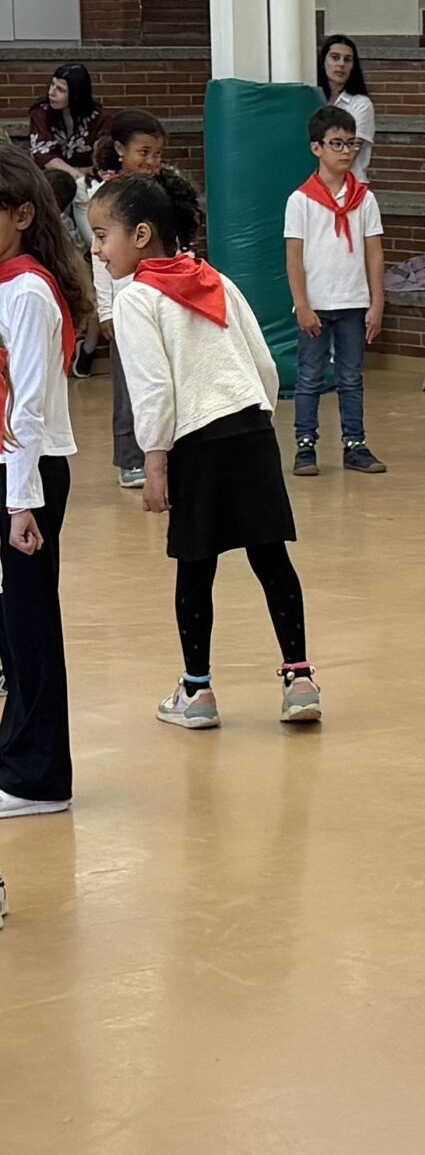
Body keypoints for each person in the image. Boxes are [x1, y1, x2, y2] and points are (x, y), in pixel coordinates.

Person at [93, 168, 319, 732]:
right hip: (251, 429)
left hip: (196, 442)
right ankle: (299, 681)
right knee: (272, 559)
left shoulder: (135, 298)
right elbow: (263, 362)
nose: (96, 249)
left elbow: (152, 388)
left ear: (141, 235)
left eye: (101, 235)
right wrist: (258, 421)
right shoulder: (215, 278)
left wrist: (153, 460)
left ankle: (197, 693)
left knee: (195, 568)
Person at [0, 146, 88, 816]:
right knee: (11, 623)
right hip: (9, 471)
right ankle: (17, 752)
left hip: (26, 477)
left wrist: (20, 502)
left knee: (30, 623)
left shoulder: (28, 290)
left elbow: (28, 404)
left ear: (23, 215)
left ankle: (40, 778)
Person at [283, 104, 387, 477]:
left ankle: (355, 444)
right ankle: (305, 445)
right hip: (316, 303)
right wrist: (302, 304)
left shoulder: (365, 198)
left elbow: (374, 253)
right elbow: (294, 258)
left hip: (353, 302)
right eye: (337, 144)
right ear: (317, 148)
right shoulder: (300, 200)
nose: (346, 151)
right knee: (310, 376)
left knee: (351, 377)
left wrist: (377, 302)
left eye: (351, 143)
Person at [96, 109, 168, 489]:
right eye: (144, 152)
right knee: (128, 385)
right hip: (126, 304)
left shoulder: (162, 195)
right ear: (120, 150)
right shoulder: (107, 197)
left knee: (160, 379)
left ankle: (163, 451)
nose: (152, 161)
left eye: (157, 153)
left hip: (162, 299)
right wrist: (106, 310)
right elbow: (99, 260)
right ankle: (129, 458)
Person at [25, 62, 104, 185]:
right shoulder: (41, 113)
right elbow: (43, 153)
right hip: (53, 182)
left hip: (92, 182)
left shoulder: (99, 118)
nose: (51, 92)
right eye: (52, 85)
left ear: (76, 94)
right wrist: (78, 175)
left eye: (60, 90)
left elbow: (103, 158)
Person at [315, 35, 377, 180]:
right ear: (323, 62)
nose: (341, 64)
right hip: (313, 183)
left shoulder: (361, 104)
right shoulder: (313, 100)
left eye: (347, 59)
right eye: (335, 57)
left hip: (349, 185)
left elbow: (349, 153)